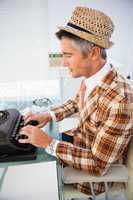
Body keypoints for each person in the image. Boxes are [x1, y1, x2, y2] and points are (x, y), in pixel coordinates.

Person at [19, 6, 133, 196]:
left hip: (89, 177)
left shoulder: (120, 101)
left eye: (68, 55)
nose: (64, 63)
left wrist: (48, 142)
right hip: (78, 143)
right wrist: (48, 115)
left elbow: (97, 165)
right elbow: (77, 101)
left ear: (94, 53)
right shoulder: (96, 76)